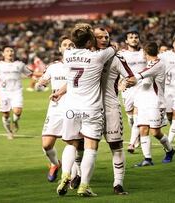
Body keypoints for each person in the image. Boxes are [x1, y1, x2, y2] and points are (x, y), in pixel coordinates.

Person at [55, 23, 116, 197]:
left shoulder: (67, 54)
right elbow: (114, 48)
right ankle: (84, 186)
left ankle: (66, 174)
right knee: (90, 147)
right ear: (90, 40)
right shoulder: (99, 56)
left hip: (71, 108)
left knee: (71, 144)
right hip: (91, 108)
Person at [93, 27, 136, 194]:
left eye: (107, 37)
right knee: (83, 145)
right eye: (100, 37)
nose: (104, 39)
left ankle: (118, 183)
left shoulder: (116, 57)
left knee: (116, 145)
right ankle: (78, 175)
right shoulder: (86, 57)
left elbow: (131, 77)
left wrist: (125, 82)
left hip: (110, 106)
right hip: (89, 108)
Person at [37, 36, 75, 182]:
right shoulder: (53, 66)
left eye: (71, 44)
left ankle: (72, 175)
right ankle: (55, 164)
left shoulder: (80, 65)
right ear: (60, 49)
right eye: (65, 44)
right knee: (46, 145)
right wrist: (41, 83)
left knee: (72, 143)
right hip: (55, 108)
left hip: (73, 108)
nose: (68, 46)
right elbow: (41, 84)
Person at [132, 42, 175, 167]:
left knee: (155, 132)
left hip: (156, 102)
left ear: (145, 53)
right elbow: (145, 82)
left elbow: (140, 76)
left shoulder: (158, 64)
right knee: (143, 129)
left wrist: (127, 81)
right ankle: (147, 159)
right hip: (144, 102)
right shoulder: (150, 64)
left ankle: (170, 150)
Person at [0, 46, 33, 139]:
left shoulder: (19, 64)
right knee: (5, 114)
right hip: (4, 92)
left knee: (17, 111)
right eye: (7, 51)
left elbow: (29, 73)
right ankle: (9, 132)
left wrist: (41, 75)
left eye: (11, 51)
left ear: (14, 53)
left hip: (17, 91)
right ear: (3, 54)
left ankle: (16, 122)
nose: (10, 52)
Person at [119, 30, 147, 153]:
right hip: (127, 88)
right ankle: (136, 136)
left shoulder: (144, 53)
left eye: (136, 37)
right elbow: (116, 69)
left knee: (137, 117)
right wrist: (120, 83)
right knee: (130, 117)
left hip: (142, 87)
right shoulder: (121, 54)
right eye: (131, 37)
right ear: (126, 41)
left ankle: (131, 143)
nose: (134, 39)